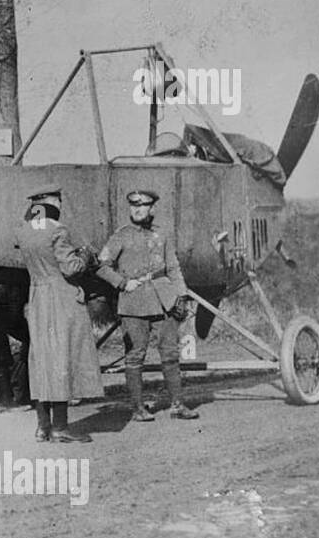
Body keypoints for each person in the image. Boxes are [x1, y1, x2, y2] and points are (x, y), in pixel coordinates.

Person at [95, 189, 199, 423]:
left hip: (164, 301)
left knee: (171, 354)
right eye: (133, 206)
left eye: (142, 206)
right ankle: (138, 408)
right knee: (135, 356)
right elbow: (102, 266)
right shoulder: (121, 236)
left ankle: (177, 404)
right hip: (134, 304)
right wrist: (122, 283)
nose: (137, 209)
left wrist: (181, 295)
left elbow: (173, 267)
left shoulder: (161, 234)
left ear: (152, 208)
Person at [16, 187, 103, 442]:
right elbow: (70, 268)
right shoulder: (58, 231)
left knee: (42, 360)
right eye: (58, 200)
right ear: (52, 202)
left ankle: (42, 427)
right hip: (62, 298)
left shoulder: (24, 231)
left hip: (38, 297)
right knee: (63, 358)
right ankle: (61, 427)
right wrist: (85, 256)